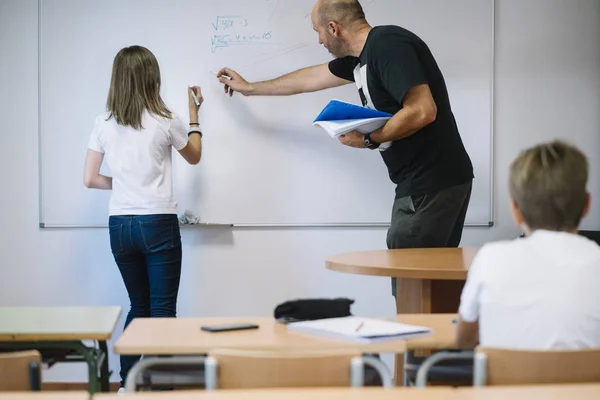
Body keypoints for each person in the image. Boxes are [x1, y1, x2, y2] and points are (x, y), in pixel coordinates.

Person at [216, 0, 474, 296]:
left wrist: (368, 138)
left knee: (413, 290)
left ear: (334, 28)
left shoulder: (388, 46)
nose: (319, 41)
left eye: (318, 32)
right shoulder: (360, 59)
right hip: (433, 181)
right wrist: (250, 88)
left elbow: (422, 110)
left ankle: (418, 343)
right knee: (431, 289)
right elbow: (310, 78)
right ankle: (432, 342)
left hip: (429, 184)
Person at [83, 45, 204, 390]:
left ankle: (128, 386)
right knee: (162, 309)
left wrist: (122, 183)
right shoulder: (167, 120)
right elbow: (193, 156)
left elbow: (90, 179)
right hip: (157, 223)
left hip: (120, 226)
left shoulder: (103, 122)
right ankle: (160, 387)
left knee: (139, 306)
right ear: (153, 78)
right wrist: (195, 115)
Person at [456, 140, 600, 349]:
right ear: (587, 205)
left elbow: (463, 340)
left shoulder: (490, 259)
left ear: (515, 210)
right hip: (586, 381)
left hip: (507, 381)